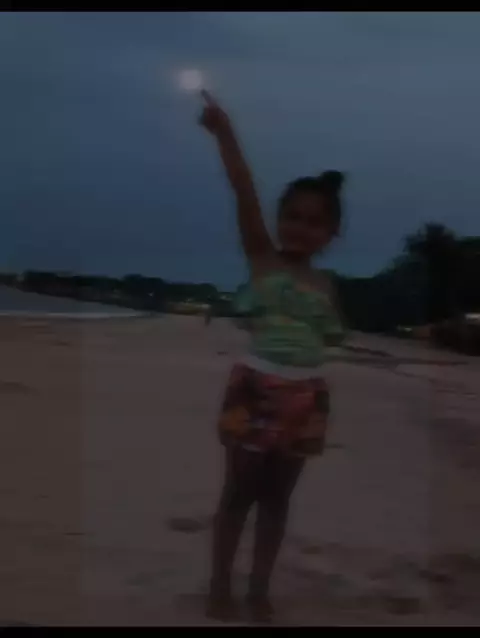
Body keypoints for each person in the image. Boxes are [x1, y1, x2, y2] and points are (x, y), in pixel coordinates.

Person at [199, 90, 347, 623]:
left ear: (331, 234)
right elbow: (243, 190)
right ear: (278, 218)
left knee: (278, 500)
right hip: (256, 388)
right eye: (292, 216)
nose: (299, 228)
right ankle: (220, 584)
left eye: (313, 222)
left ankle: (259, 589)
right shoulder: (263, 259)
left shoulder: (327, 285)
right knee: (238, 494)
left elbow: (328, 340)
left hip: (305, 397)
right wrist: (224, 132)